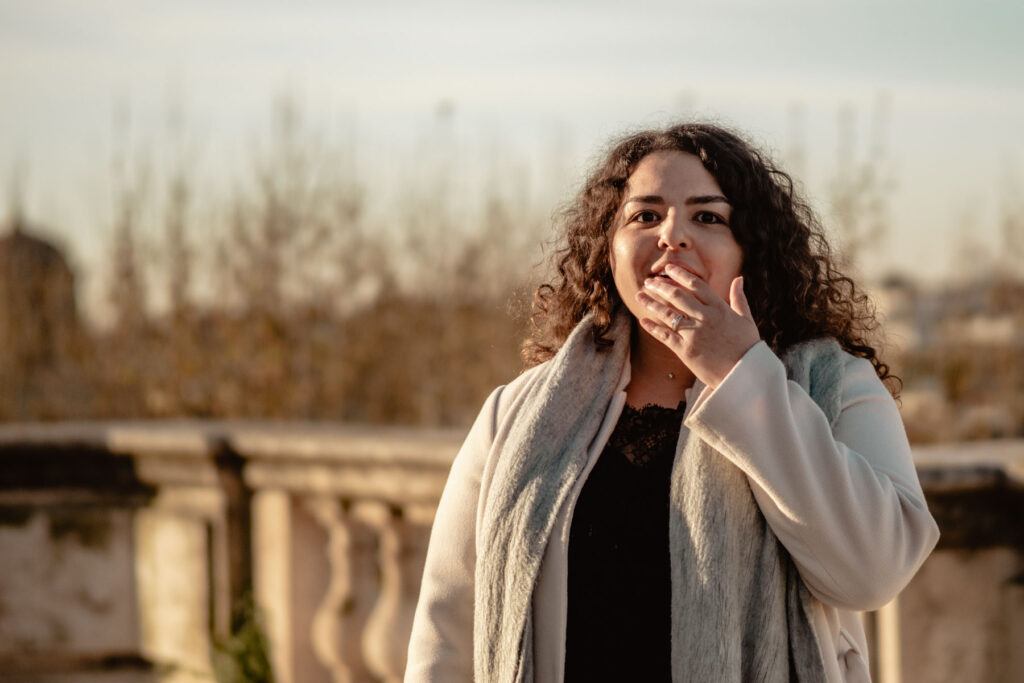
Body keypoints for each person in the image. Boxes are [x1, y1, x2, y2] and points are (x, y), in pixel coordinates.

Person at [404, 123, 939, 683]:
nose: (672, 235)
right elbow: (446, 636)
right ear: (608, 252)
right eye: (645, 216)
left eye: (708, 216)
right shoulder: (514, 414)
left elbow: (873, 572)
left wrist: (739, 372)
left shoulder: (834, 385)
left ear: (750, 252)